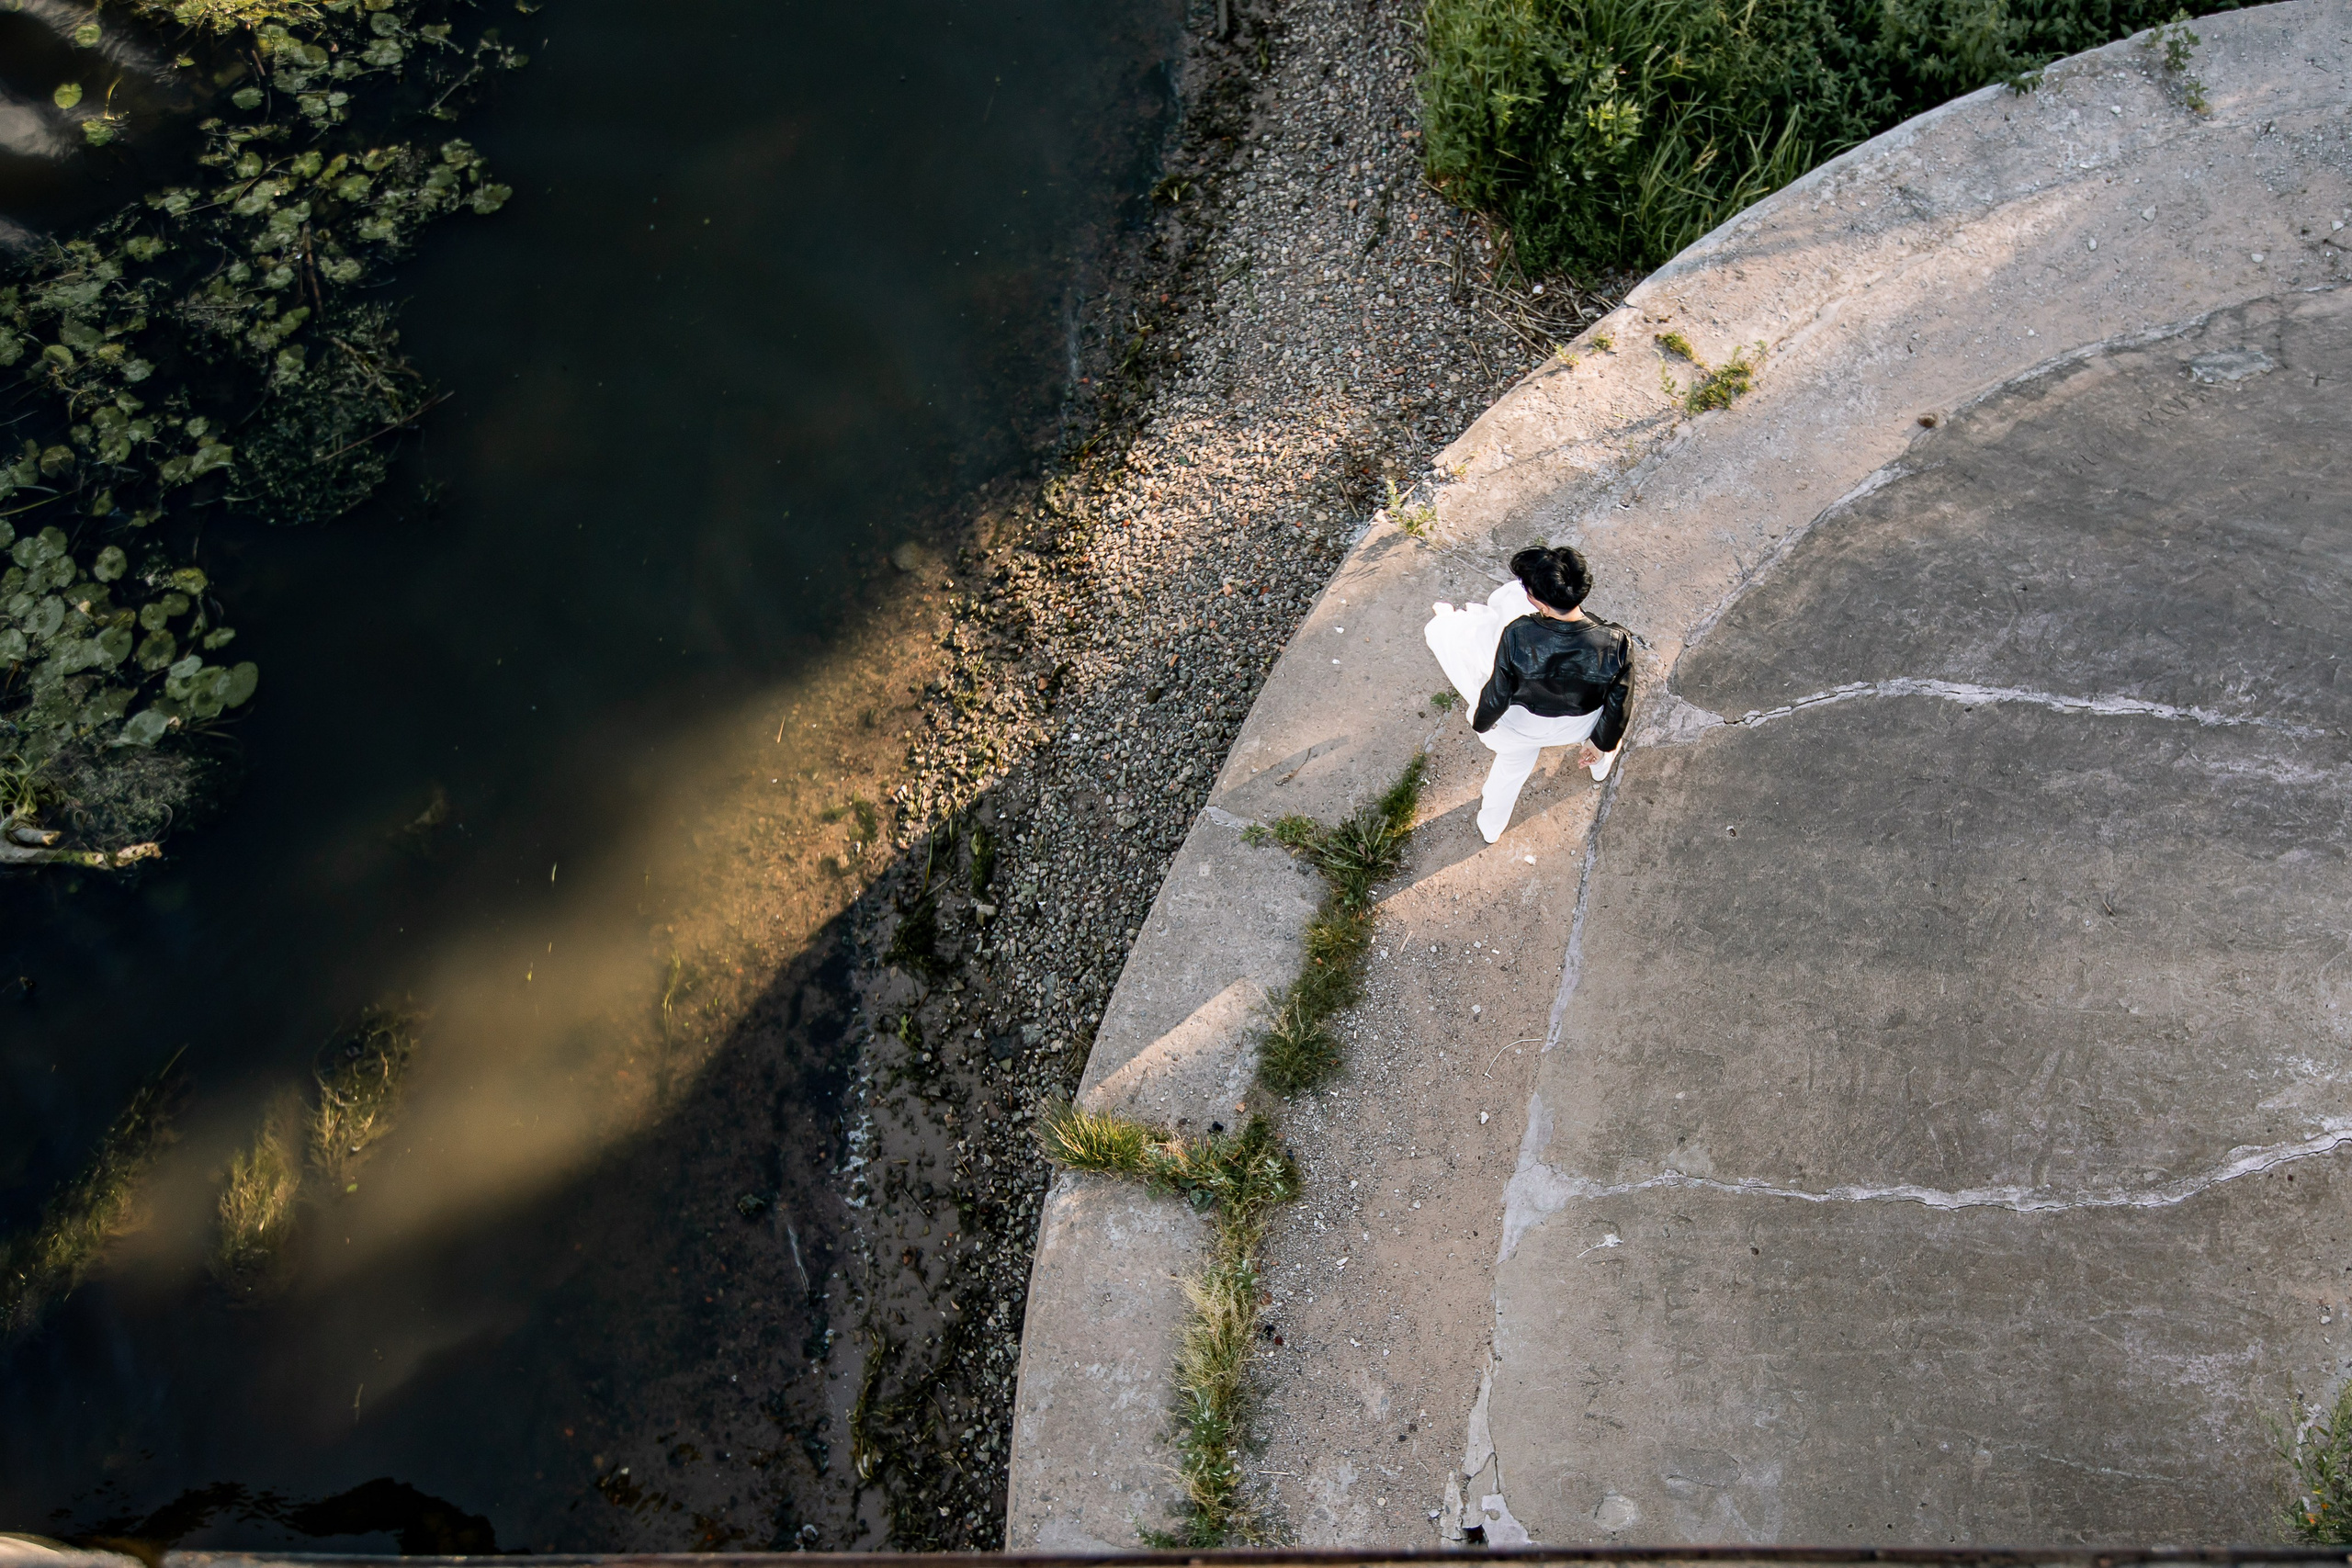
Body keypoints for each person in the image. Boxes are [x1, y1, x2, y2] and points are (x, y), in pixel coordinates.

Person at [1423, 545, 1633, 843]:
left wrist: (1482, 723)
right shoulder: (1616, 641)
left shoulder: (1518, 634)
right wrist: (1601, 741)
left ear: (1541, 604)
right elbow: (1619, 701)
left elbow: (1497, 695)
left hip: (1521, 730)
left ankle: (1491, 827)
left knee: (1509, 771)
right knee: (1605, 735)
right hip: (1581, 725)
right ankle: (1599, 765)